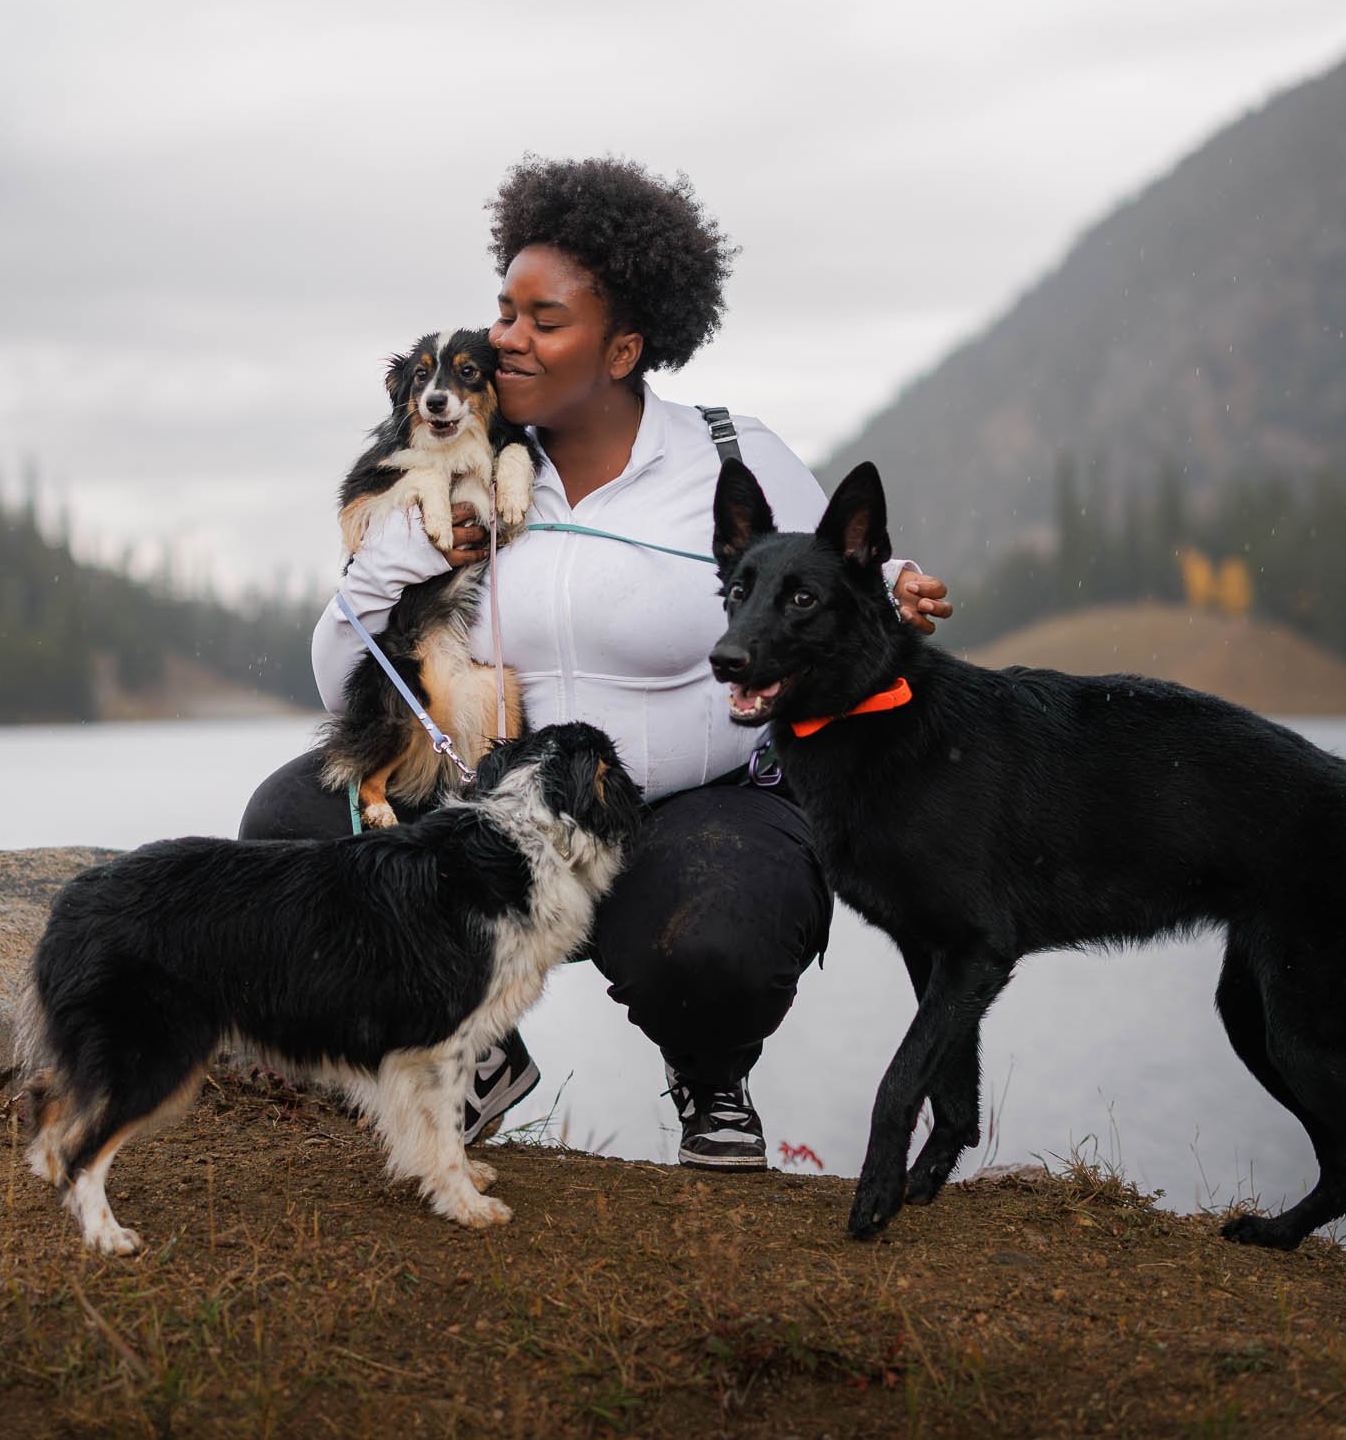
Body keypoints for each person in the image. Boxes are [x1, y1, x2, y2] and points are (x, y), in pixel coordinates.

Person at [240, 156, 952, 1169]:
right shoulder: (457, 461)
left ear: (622, 346)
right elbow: (341, 672)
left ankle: (710, 1072)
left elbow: (836, 577)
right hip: (500, 806)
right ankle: (475, 1053)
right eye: (504, 309)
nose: (505, 337)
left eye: (544, 318)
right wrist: (404, 552)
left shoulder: (723, 450)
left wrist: (899, 583)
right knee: (289, 825)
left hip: (696, 805)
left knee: (717, 945)